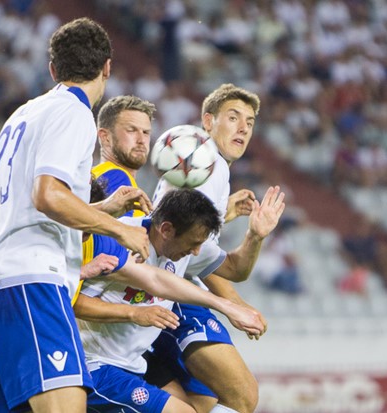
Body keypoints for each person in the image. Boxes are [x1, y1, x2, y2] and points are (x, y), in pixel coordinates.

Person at [0, 17, 152, 413]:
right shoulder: (74, 113)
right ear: (107, 67)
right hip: (33, 283)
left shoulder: (24, 114)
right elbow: (48, 195)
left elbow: (33, 205)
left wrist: (100, 208)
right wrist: (118, 229)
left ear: (53, 69)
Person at [0, 179, 155, 413]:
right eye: (86, 224)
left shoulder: (77, 255)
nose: (86, 236)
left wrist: (79, 272)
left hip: (18, 366)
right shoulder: (30, 229)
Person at [76, 188, 277, 412]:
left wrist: (255, 236)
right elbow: (74, 303)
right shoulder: (119, 238)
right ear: (166, 229)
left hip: (133, 364)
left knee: (221, 401)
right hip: (94, 365)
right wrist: (133, 313)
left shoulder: (184, 247)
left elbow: (235, 269)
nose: (197, 251)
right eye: (193, 243)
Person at [149, 83, 277, 413]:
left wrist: (246, 228)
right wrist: (231, 305)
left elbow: (213, 258)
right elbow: (191, 256)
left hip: (163, 293)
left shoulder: (206, 169)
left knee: (200, 403)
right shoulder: (210, 167)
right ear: (208, 121)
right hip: (171, 296)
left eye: (249, 122)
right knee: (243, 395)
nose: (243, 128)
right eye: (233, 118)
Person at [92, 94, 156, 217]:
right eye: (131, 130)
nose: (141, 140)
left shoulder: (98, 176)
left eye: (146, 132)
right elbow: (116, 235)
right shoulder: (116, 178)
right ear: (105, 137)